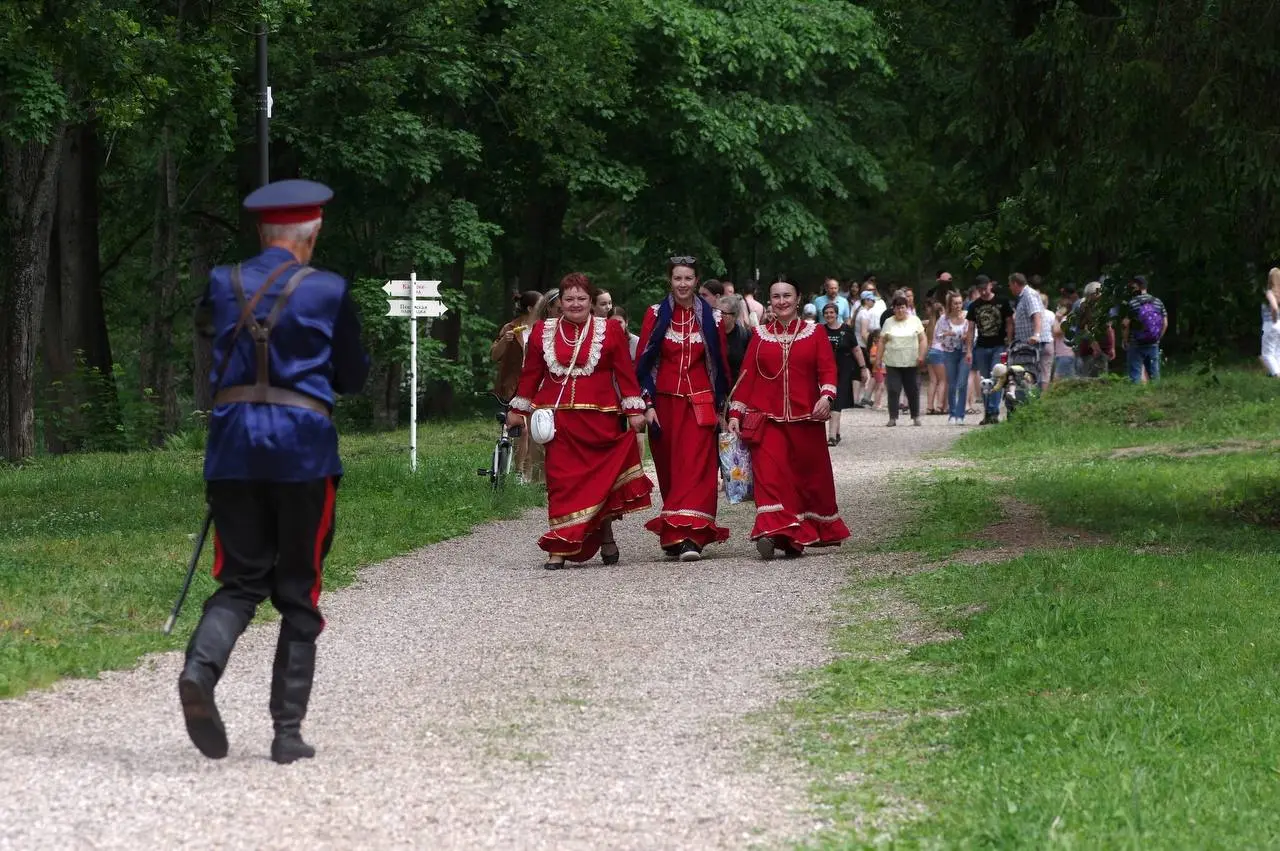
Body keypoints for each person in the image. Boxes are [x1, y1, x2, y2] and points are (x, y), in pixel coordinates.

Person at [182, 179, 370, 764]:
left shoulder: (221, 283)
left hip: (233, 447)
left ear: (264, 233)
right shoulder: (330, 290)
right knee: (298, 590)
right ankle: (286, 734)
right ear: (310, 236)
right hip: (303, 453)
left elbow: (209, 338)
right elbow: (354, 375)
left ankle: (199, 670)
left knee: (240, 581)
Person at [506, 273, 653, 569]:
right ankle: (560, 546)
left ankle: (607, 535)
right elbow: (531, 374)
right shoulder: (542, 332)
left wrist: (634, 409)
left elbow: (624, 373)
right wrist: (518, 409)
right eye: (569, 299)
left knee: (602, 482)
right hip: (559, 424)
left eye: (581, 299)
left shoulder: (609, 330)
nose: (575, 304)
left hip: (601, 420)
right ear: (560, 302)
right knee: (562, 484)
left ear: (592, 302)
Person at [727, 280, 851, 559]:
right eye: (776, 297)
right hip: (767, 421)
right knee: (770, 478)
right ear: (769, 301)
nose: (781, 301)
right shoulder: (759, 335)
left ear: (797, 300)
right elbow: (747, 377)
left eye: (787, 296)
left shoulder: (815, 332)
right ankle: (770, 533)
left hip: (805, 419)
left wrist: (826, 397)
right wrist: (736, 413)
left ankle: (793, 538)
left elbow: (828, 371)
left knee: (803, 481)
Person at [636, 256, 732, 561]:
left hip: (700, 403)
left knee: (697, 468)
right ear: (670, 280)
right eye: (677, 278)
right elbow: (642, 362)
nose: (682, 284)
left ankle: (690, 536)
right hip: (663, 405)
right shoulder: (654, 314)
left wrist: (722, 408)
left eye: (688, 279)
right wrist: (646, 404)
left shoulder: (712, 318)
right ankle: (674, 532)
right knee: (671, 470)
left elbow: (721, 365)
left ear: (697, 281)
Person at [966, 275, 1013, 425]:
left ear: (990, 286)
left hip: (998, 345)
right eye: (980, 290)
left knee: (997, 378)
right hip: (981, 346)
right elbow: (970, 328)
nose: (983, 292)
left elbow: (1010, 322)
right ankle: (987, 412)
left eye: (985, 289)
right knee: (985, 380)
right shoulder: (974, 305)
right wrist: (968, 350)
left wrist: (1010, 343)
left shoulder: (1002, 302)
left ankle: (993, 411)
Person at [821, 302, 867, 445]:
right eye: (826, 313)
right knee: (829, 401)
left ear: (836, 314)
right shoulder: (820, 330)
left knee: (837, 402)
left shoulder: (847, 330)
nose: (829, 315)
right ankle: (837, 432)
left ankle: (831, 436)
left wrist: (863, 368)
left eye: (831, 312)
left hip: (844, 370)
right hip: (825, 371)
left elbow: (856, 350)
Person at [875, 296, 926, 426]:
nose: (900, 310)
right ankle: (893, 417)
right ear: (894, 308)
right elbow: (881, 341)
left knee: (912, 389)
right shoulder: (888, 322)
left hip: (911, 362)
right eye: (897, 307)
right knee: (893, 389)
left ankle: (915, 416)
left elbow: (923, 339)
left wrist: (921, 355)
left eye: (902, 307)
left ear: (906, 308)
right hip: (893, 362)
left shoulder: (915, 321)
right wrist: (878, 359)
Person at [1120, 275, 1168, 383]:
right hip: (1153, 343)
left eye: (1133, 286)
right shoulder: (1158, 302)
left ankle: (1136, 397)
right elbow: (1165, 323)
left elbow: (1125, 324)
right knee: (1154, 374)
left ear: (1137, 286)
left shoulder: (1132, 303)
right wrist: (1158, 338)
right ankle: (1157, 397)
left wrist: (1125, 339)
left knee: (1135, 375)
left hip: (1136, 344)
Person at [934, 291, 972, 424]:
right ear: (950, 304)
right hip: (949, 352)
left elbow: (973, 334)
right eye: (955, 303)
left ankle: (960, 415)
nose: (958, 306)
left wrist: (956, 334)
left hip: (965, 352)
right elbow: (937, 336)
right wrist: (949, 334)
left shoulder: (967, 317)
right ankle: (952, 413)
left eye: (960, 303)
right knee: (951, 384)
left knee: (962, 383)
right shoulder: (943, 319)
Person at [719, 294, 752, 383]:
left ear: (734, 316)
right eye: (718, 312)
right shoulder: (712, 333)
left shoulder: (744, 335)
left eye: (723, 313)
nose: (719, 316)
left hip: (737, 386)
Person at [1262, 268, 1280, 377]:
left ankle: (1277, 376)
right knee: (1277, 352)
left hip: (1271, 324)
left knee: (1267, 354)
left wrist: (1274, 319)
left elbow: (1273, 307)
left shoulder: (1270, 292)